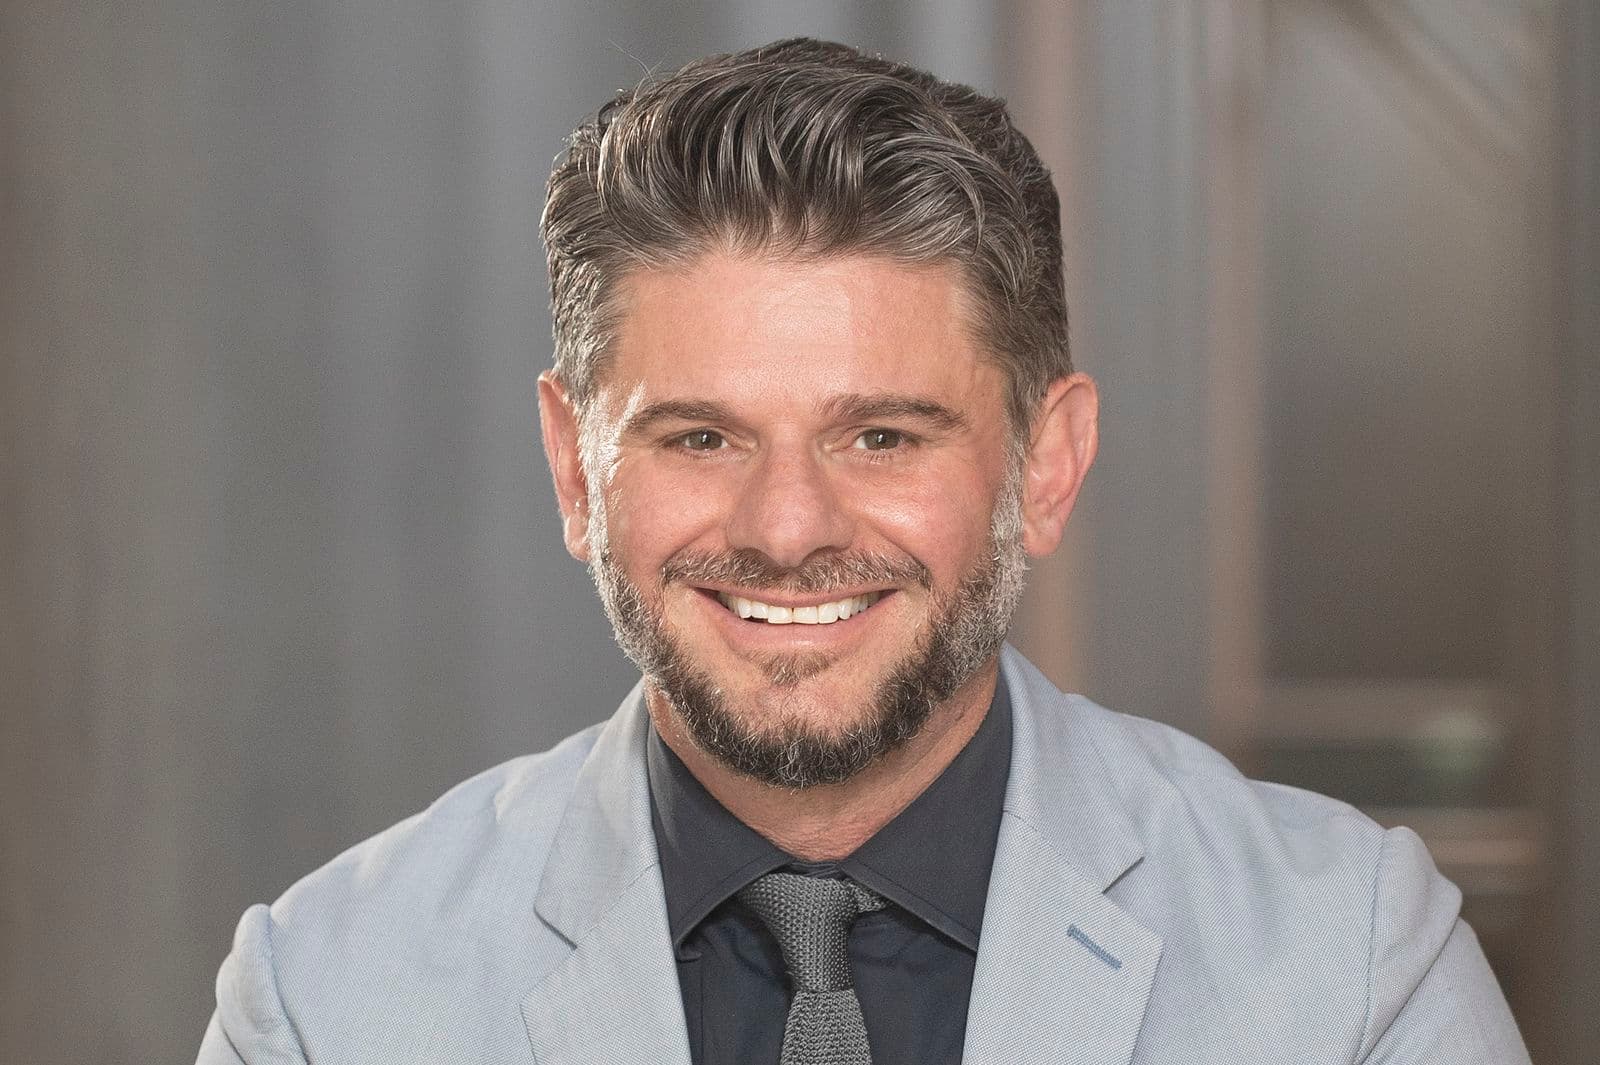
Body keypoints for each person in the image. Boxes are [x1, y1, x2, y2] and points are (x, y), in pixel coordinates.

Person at [196, 37, 1529, 1065]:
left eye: (883, 436)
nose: (787, 528)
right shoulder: (330, 997)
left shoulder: (1351, 971)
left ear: (1044, 465)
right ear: (573, 466)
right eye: (700, 437)